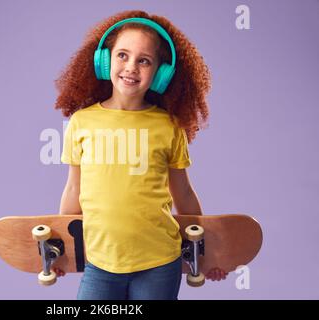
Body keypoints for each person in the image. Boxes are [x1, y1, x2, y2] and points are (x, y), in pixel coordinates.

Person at [54, 10, 227, 300]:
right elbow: (74, 187)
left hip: (159, 262)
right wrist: (63, 250)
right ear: (104, 60)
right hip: (100, 263)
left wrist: (205, 252)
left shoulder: (169, 125)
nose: (131, 67)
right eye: (122, 55)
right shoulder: (82, 122)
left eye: (144, 60)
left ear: (161, 74)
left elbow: (183, 191)